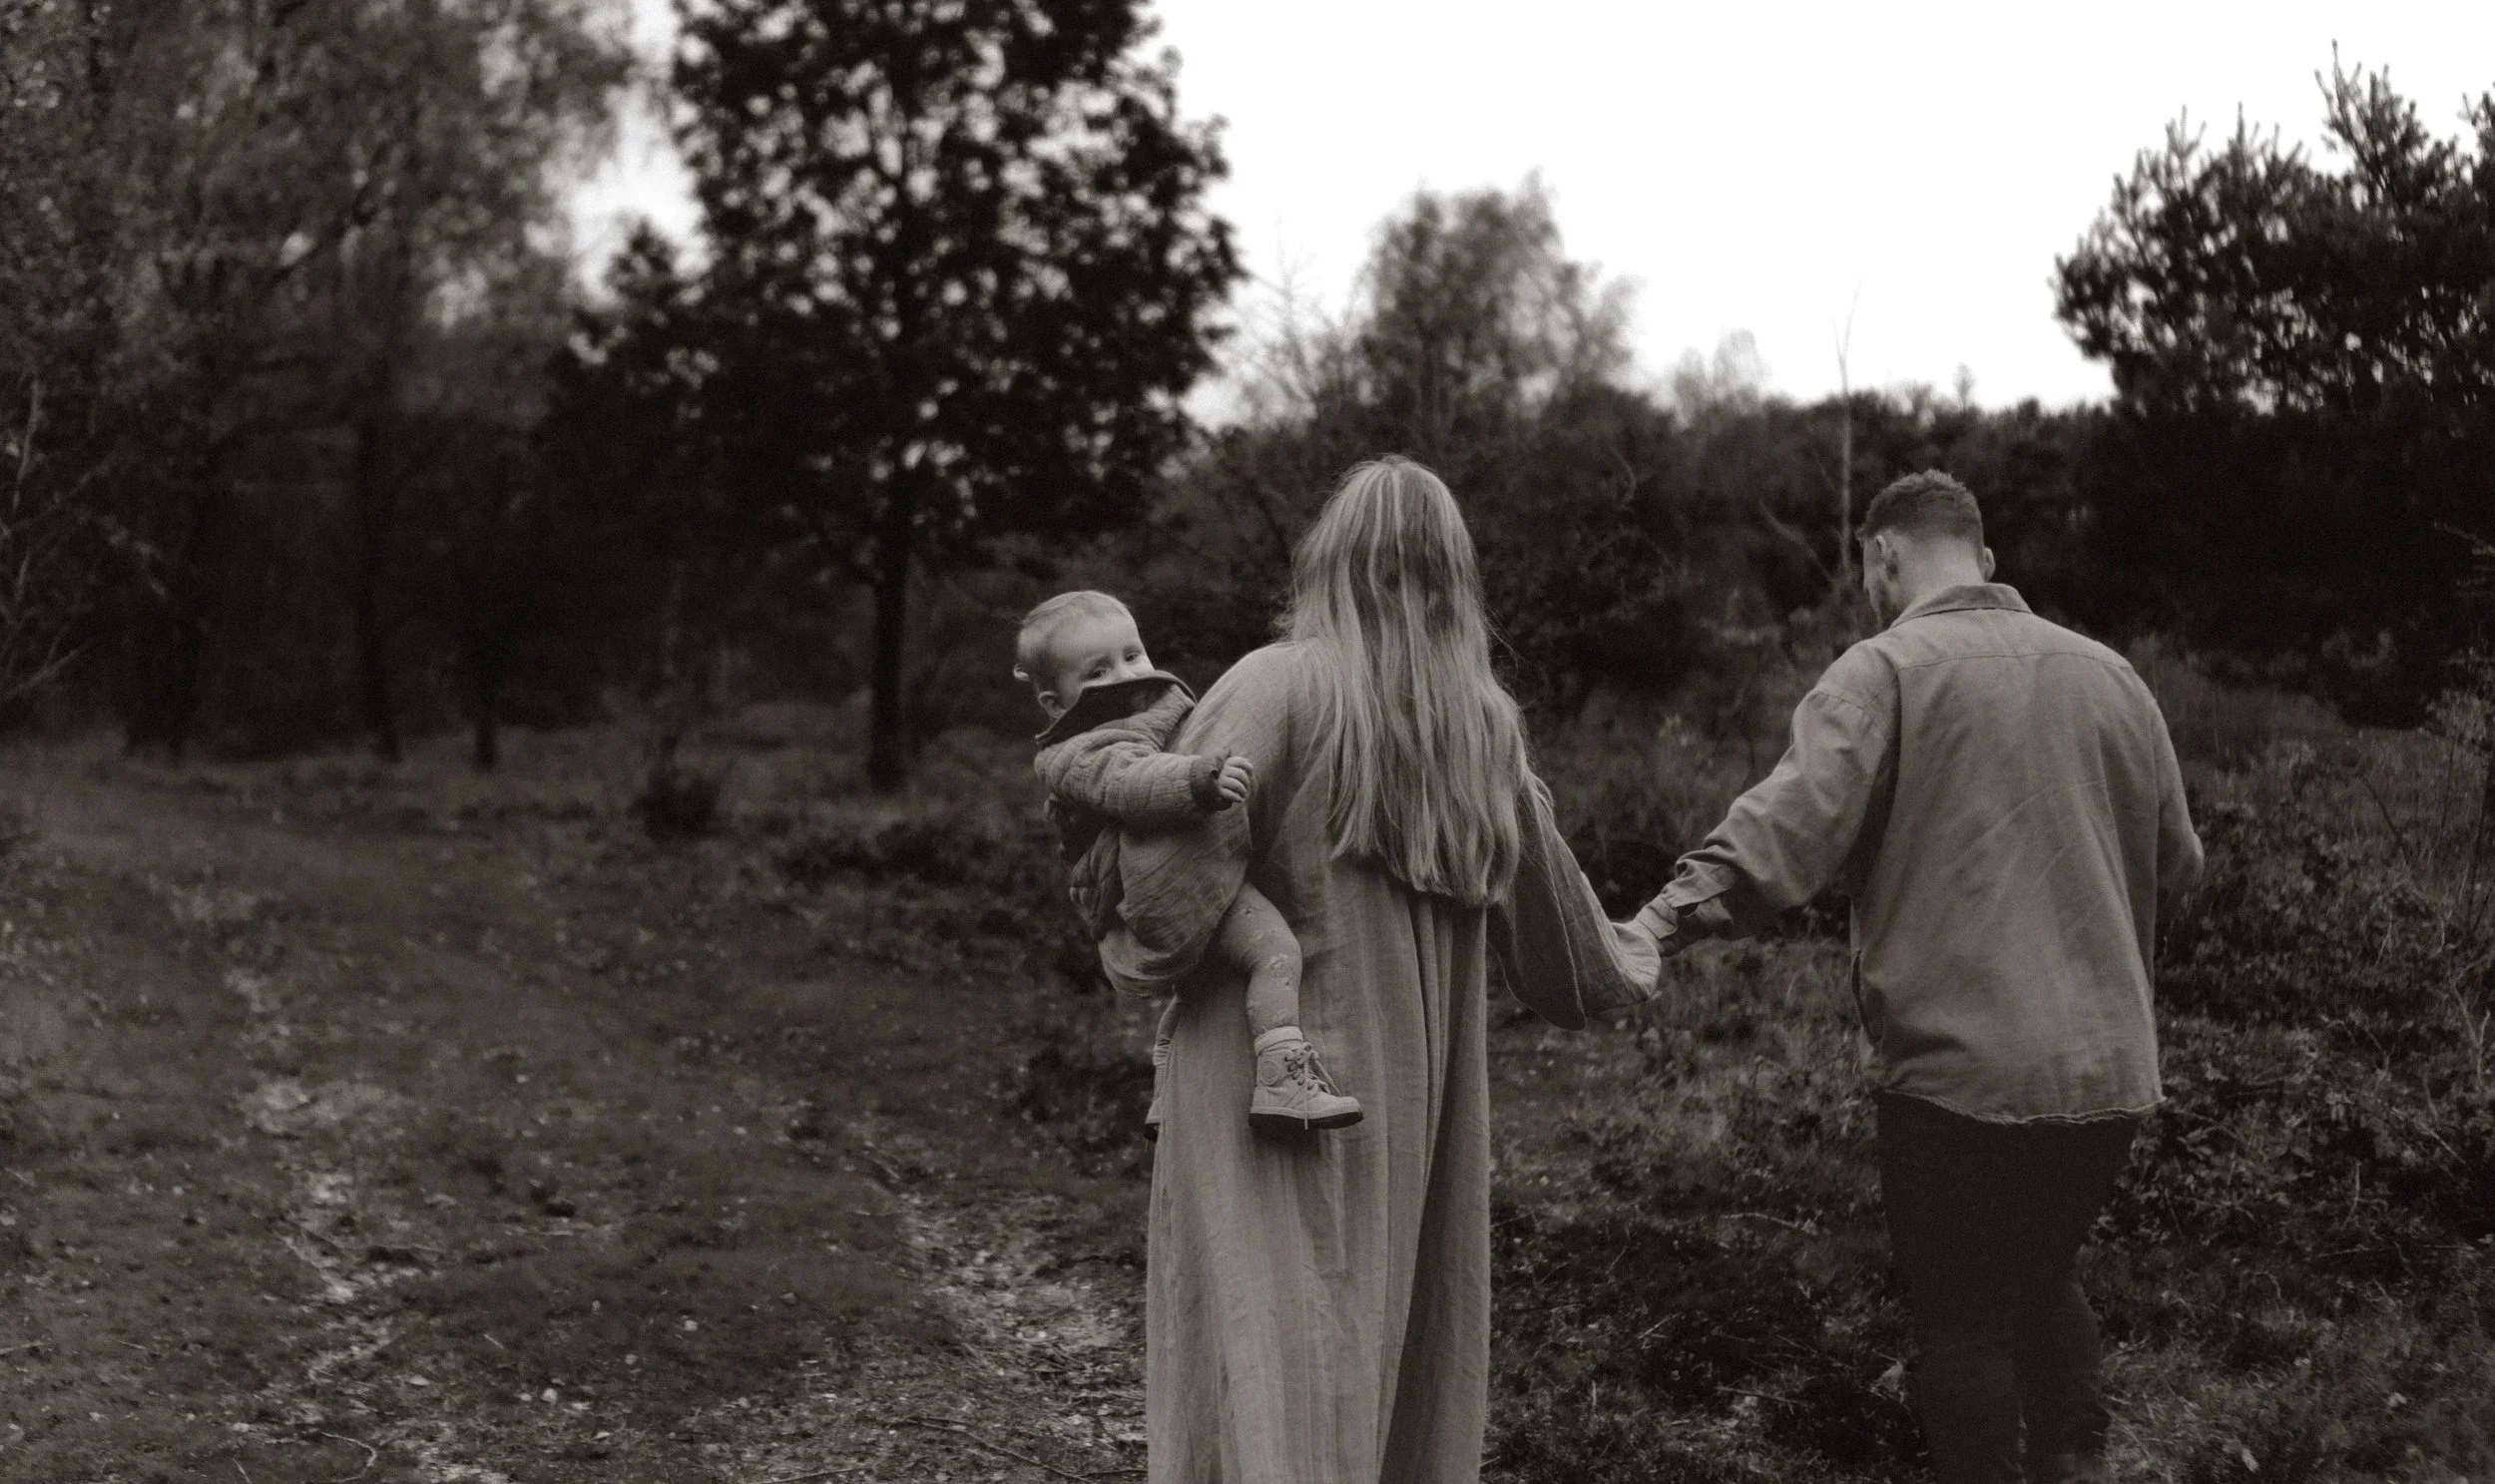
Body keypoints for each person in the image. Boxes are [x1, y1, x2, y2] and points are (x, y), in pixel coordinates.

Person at [1095, 455, 1661, 1483]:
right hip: (1406, 1101)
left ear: (1327, 564)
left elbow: (1165, 899)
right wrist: (1658, 933)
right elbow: (1574, 964)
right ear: (1455, 579)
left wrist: (1110, 900)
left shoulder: (1276, 684)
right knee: (1384, 1345)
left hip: (1254, 1082)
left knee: (1259, 1343)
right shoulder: (1479, 731)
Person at [1631, 470, 2205, 1484]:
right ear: (1982, 558)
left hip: (1959, 1079)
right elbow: (2182, 866)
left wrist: (1653, 924)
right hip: (2110, 1075)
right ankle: (2075, 1465)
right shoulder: (2113, 675)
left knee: (1965, 1317)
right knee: (2035, 1273)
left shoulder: (1882, 670)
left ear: (1881, 555)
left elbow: (1782, 836)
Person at [1015, 589, 1361, 1136]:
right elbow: (1130, 783)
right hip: (1144, 885)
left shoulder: (1145, 712)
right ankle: (1283, 1081)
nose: (1125, 673)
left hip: (1158, 873)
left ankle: (1168, 1089)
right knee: (1277, 951)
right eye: (1097, 670)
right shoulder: (1075, 755)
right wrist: (1199, 779)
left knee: (1197, 985)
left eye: (1132, 654)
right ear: (1055, 703)